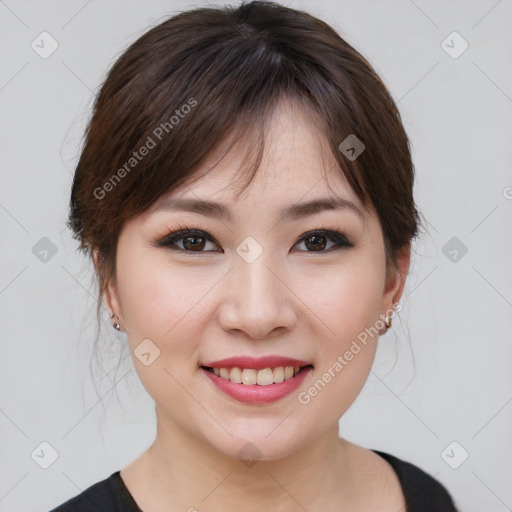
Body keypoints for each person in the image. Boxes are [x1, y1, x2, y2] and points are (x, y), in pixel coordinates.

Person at [49, 1, 459, 510]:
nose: (258, 313)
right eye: (193, 241)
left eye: (318, 240)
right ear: (108, 279)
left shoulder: (429, 500)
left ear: (392, 279)